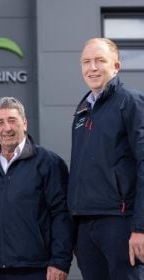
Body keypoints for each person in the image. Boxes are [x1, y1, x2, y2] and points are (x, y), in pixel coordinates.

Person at [0, 97, 73, 280]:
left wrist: (59, 261)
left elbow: (61, 215)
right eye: (0, 122)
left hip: (38, 270)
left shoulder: (48, 163)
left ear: (24, 123)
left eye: (12, 120)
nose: (7, 128)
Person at [68, 37, 144, 279]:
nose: (92, 67)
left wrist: (140, 228)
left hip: (120, 222)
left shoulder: (130, 102)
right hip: (87, 226)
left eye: (100, 60)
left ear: (116, 66)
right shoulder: (81, 112)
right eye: (86, 62)